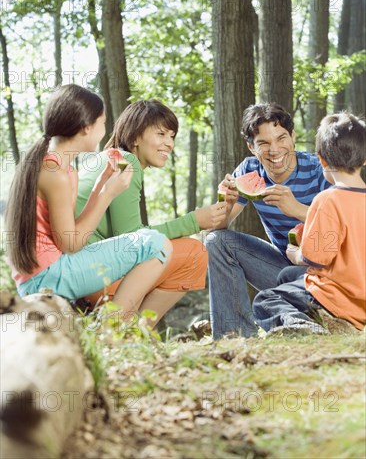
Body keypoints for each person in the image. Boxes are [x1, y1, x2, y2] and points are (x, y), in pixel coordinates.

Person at [5, 85, 173, 323]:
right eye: (102, 123)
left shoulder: (58, 166)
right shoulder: (56, 174)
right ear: (86, 128)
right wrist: (107, 195)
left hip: (43, 274)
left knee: (151, 241)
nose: (105, 131)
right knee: (156, 244)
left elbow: (69, 231)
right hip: (49, 277)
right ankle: (112, 329)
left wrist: (100, 188)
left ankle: (112, 326)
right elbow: (71, 244)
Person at [76, 99, 227, 324]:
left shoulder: (110, 158)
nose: (169, 143)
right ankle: (135, 332)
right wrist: (194, 221)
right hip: (95, 279)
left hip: (80, 273)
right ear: (135, 137)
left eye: (172, 136)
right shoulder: (127, 163)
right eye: (161, 134)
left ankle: (130, 331)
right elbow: (133, 238)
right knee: (195, 253)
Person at [206, 102, 332, 339]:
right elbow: (217, 228)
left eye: (281, 138)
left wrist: (297, 209)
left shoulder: (319, 170)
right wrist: (228, 204)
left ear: (293, 137)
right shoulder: (249, 170)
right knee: (216, 240)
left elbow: (347, 226)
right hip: (285, 271)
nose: (274, 150)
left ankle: (313, 318)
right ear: (251, 148)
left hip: (328, 276)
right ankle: (233, 336)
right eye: (263, 143)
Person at [252, 112, 366, 334]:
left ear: (321, 159)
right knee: (286, 276)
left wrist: (295, 253)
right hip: (361, 298)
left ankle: (306, 327)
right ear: (364, 158)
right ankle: (328, 320)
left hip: (336, 296)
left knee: (265, 300)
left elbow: (316, 258)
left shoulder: (327, 200)